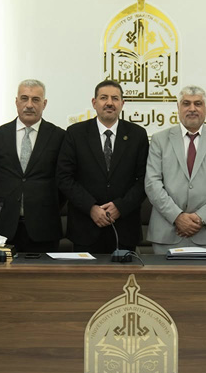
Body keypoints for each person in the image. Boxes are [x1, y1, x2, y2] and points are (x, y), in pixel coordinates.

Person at [57, 80, 148, 253]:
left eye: (115, 98)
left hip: (124, 228)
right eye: (104, 98)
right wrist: (91, 208)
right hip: (85, 227)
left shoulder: (137, 135)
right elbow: (64, 178)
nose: (109, 103)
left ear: (122, 103)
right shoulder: (75, 133)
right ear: (94, 102)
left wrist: (120, 207)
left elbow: (144, 179)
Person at [145, 86, 206, 254]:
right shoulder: (159, 140)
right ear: (178, 107)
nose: (192, 108)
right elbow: (152, 184)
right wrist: (177, 217)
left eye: (198, 104)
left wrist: (201, 218)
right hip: (167, 233)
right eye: (186, 103)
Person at [0, 80, 65, 252]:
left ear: (44, 104)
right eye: (24, 98)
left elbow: (63, 181)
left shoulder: (59, 136)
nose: (29, 105)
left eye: (35, 99)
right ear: (16, 102)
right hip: (5, 225)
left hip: (45, 227)